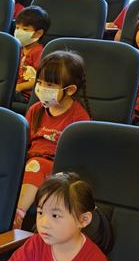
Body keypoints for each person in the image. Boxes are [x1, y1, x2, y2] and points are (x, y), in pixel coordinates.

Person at [14, 51, 91, 228]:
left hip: (57, 169)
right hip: (31, 160)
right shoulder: (35, 110)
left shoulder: (79, 118)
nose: (41, 88)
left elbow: (76, 159)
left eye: (49, 85)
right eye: (40, 82)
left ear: (70, 90)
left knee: (37, 164)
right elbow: (24, 143)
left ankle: (17, 216)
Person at [13, 6, 50, 102]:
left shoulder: (39, 52)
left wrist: (19, 87)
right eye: (17, 28)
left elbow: (39, 80)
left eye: (25, 29)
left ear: (38, 33)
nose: (18, 32)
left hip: (24, 94)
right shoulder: (17, 48)